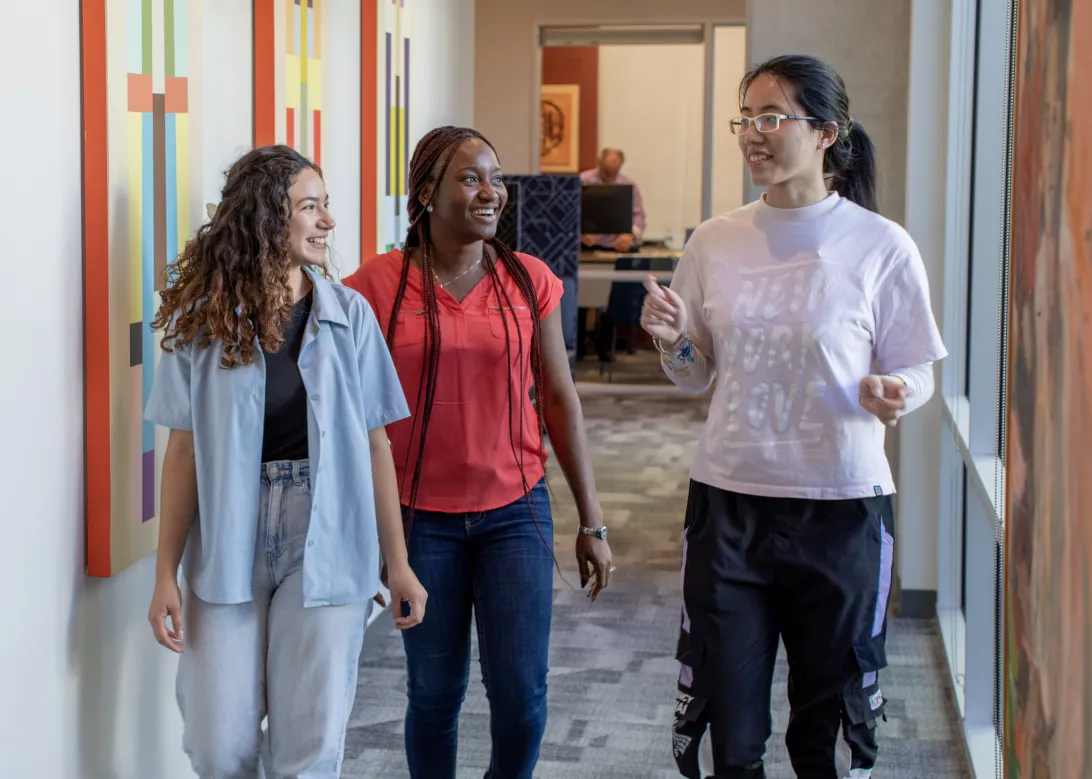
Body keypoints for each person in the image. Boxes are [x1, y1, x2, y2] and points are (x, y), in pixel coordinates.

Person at [640, 55, 947, 779]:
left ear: (825, 133)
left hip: (842, 510)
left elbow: (920, 369)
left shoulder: (880, 245)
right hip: (729, 507)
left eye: (772, 117)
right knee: (731, 731)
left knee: (827, 733)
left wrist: (898, 390)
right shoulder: (714, 241)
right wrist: (674, 340)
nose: (753, 132)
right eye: (745, 117)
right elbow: (693, 375)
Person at [144, 144, 428, 779]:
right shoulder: (201, 321)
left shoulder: (349, 316)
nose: (327, 221)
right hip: (227, 535)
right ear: (267, 217)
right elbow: (183, 450)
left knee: (310, 745)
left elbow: (377, 444)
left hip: (325, 532)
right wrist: (164, 573)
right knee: (218, 744)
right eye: (310, 207)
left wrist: (399, 563)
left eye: (325, 206)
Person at [343, 125, 614, 779]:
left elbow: (559, 399)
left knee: (522, 695)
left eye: (496, 178)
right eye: (471, 178)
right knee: (434, 696)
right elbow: (350, 417)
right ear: (427, 193)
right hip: (419, 521)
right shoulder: (377, 287)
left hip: (514, 513)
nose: (491, 192)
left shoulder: (530, 280)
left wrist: (592, 518)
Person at [580, 147, 646, 252]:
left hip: (618, 246)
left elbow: (638, 215)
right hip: (586, 245)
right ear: (599, 164)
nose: (610, 177)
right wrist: (579, 233)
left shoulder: (629, 184)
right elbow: (570, 213)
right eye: (606, 172)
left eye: (614, 172)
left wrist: (630, 235)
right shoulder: (583, 180)